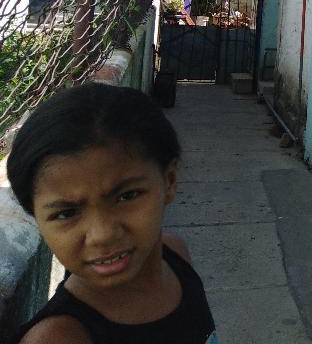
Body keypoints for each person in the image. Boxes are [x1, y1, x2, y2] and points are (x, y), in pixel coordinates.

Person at [7, 83, 218, 343]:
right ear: (36, 218)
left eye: (127, 196)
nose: (102, 235)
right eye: (66, 213)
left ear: (169, 181)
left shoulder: (176, 256)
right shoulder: (58, 338)